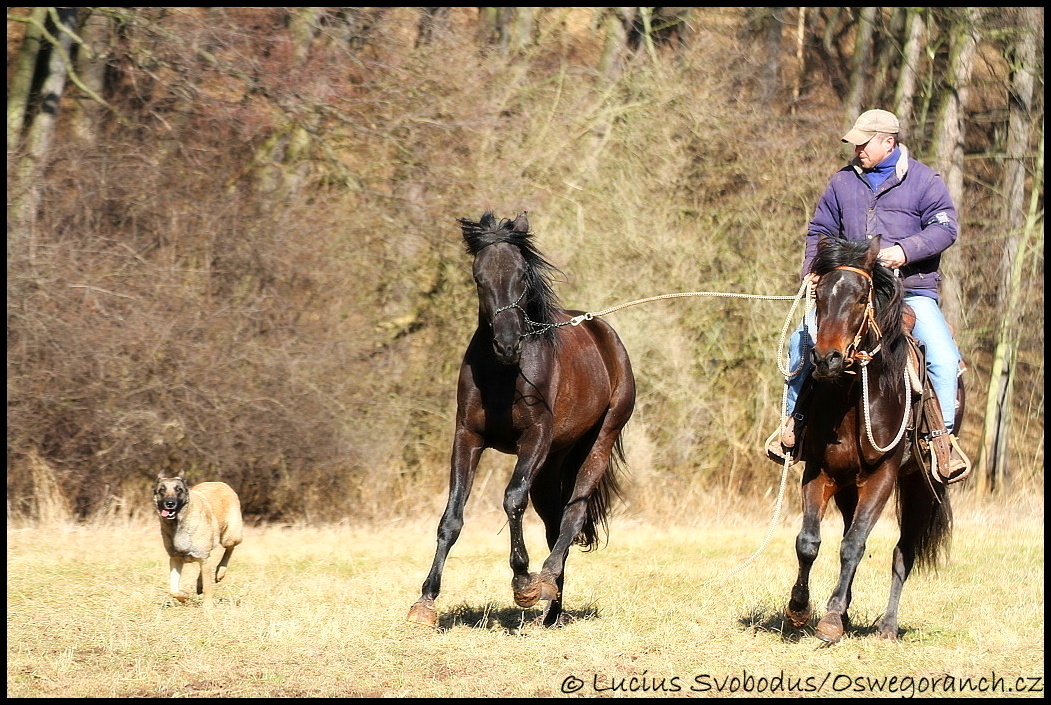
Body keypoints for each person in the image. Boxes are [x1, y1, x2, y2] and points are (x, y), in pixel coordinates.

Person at [766, 108, 969, 477]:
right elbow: (820, 231)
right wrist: (814, 272)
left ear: (888, 142)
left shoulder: (925, 181)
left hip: (910, 291)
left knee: (940, 356)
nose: (857, 147)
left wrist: (905, 251)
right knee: (801, 342)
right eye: (856, 142)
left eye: (864, 141)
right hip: (849, 295)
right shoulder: (842, 182)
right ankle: (791, 427)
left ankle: (943, 441)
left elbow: (945, 228)